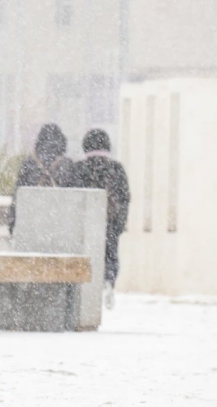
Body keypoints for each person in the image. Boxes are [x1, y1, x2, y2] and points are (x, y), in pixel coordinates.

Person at [74, 129, 130, 310]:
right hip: (110, 222)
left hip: (85, 225)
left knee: (85, 256)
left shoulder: (79, 168)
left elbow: (71, 198)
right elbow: (125, 198)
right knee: (110, 256)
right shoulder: (116, 168)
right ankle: (108, 281)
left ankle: (84, 288)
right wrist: (119, 224)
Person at [8, 123, 76, 234]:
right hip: (59, 224)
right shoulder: (68, 165)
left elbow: (18, 195)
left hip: (33, 223)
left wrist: (12, 223)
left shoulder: (29, 163)